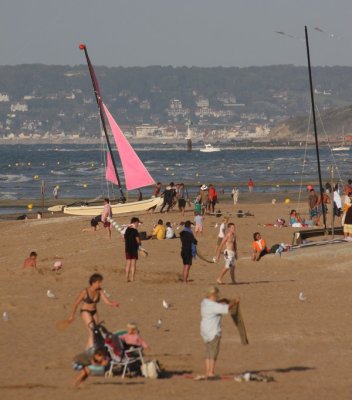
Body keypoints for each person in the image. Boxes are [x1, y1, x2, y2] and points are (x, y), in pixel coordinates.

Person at [68, 273, 119, 349]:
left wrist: (113, 304)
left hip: (94, 312)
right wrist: (72, 315)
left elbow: (107, 301)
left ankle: (87, 350)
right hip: (85, 311)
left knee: (96, 332)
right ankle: (90, 352)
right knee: (92, 332)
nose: (100, 284)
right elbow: (75, 303)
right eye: (99, 282)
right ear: (93, 282)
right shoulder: (85, 291)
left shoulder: (100, 290)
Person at [200, 286, 239, 379]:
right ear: (213, 295)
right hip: (213, 331)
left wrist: (223, 300)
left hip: (205, 331)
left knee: (208, 352)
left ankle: (207, 371)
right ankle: (211, 372)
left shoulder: (204, 302)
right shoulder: (214, 306)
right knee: (214, 352)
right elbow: (226, 308)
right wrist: (235, 302)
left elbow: (215, 304)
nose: (217, 297)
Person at [124, 217, 141, 282]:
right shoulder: (135, 230)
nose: (138, 224)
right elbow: (137, 240)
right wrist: (139, 245)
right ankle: (132, 278)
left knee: (128, 263)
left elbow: (124, 238)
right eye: (137, 223)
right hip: (133, 248)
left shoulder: (127, 230)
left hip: (127, 248)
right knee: (133, 263)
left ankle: (126, 278)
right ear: (135, 222)